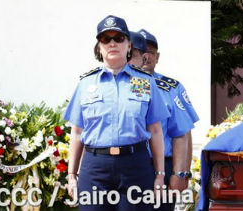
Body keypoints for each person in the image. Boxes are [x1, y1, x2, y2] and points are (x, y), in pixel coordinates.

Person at [64, 15, 169, 211]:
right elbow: (77, 132)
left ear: (129, 45)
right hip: (94, 167)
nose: (112, 43)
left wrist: (160, 175)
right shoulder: (86, 83)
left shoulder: (146, 82)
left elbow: (155, 131)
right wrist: (71, 175)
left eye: (119, 38)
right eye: (106, 39)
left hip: (135, 165)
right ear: (99, 47)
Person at [139, 28, 198, 208]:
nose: (145, 56)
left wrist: (181, 174)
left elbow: (183, 133)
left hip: (164, 166)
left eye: (150, 52)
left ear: (157, 57)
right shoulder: (120, 84)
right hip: (130, 163)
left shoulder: (172, 88)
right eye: (140, 52)